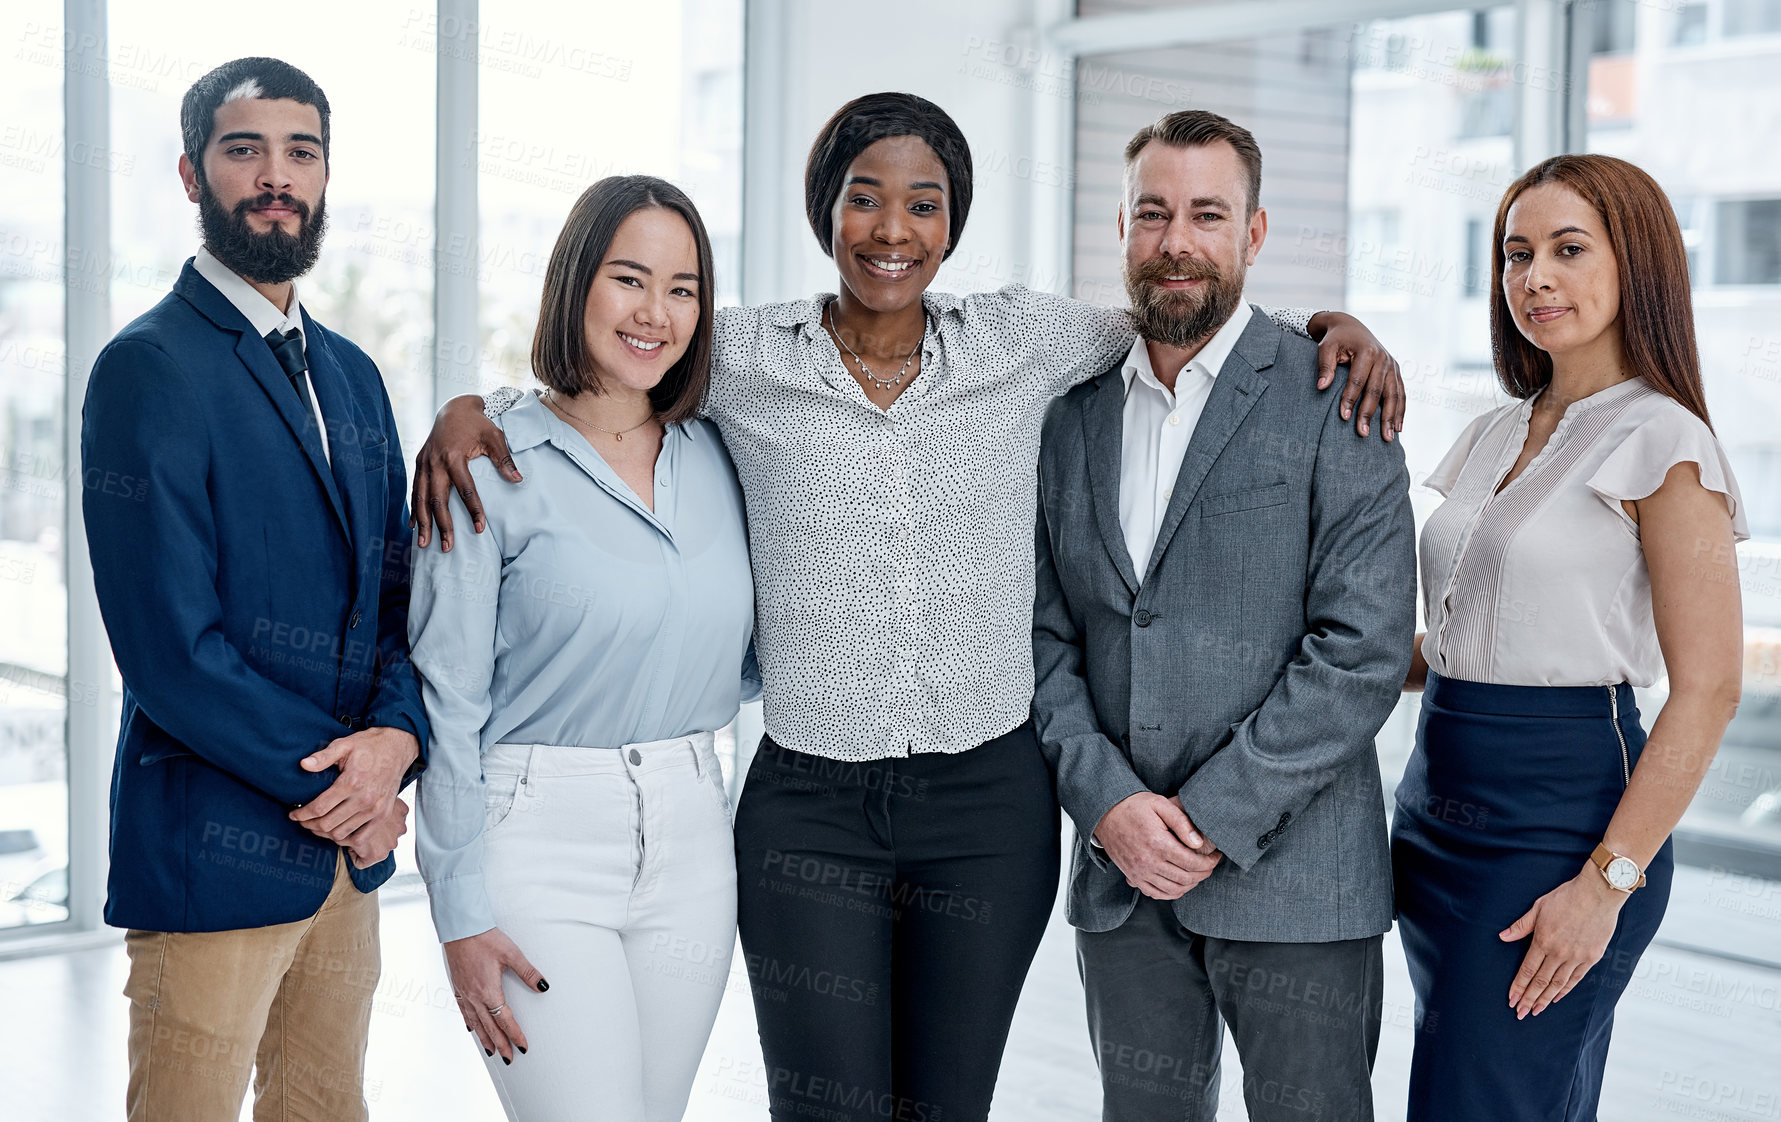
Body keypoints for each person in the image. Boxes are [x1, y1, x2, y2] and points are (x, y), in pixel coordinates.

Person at [409, 93, 1405, 1122]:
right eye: (862, 199)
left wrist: (1333, 330)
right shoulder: (739, 358)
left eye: (922, 204)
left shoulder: (1022, 342)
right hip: (808, 811)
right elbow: (613, 376)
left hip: (985, 808)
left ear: (951, 221)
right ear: (823, 212)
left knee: (947, 1106)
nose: (892, 230)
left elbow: (1185, 311)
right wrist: (472, 408)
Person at [1031, 109, 1416, 1122]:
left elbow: (1361, 652)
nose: (1175, 242)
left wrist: (1208, 817)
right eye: (1152, 213)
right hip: (1121, 877)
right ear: (1120, 227)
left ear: (1250, 236)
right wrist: (1108, 805)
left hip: (1297, 880)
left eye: (1206, 214)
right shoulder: (1066, 416)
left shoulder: (1337, 395)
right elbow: (1040, 636)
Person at [81, 57, 426, 1122]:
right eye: (245, 151)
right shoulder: (147, 368)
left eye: (300, 152)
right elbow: (172, 655)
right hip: (215, 857)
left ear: (324, 177)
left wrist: (400, 742)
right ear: (192, 175)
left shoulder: (356, 375)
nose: (276, 176)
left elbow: (397, 611)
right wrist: (350, 792)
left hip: (343, 872)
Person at [1392, 153, 1746, 1121]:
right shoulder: (1492, 434)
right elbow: (1457, 643)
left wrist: (1603, 885)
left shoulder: (1665, 443)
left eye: (1565, 249)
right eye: (1513, 254)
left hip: (1560, 827)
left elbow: (1708, 689)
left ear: (1634, 263)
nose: (1532, 277)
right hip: (1433, 816)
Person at [409, 175, 757, 1122]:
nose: (655, 313)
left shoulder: (727, 454)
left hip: (693, 837)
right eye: (629, 279)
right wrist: (459, 910)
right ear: (575, 286)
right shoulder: (486, 463)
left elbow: (753, 652)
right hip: (535, 838)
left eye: (683, 288)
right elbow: (447, 699)